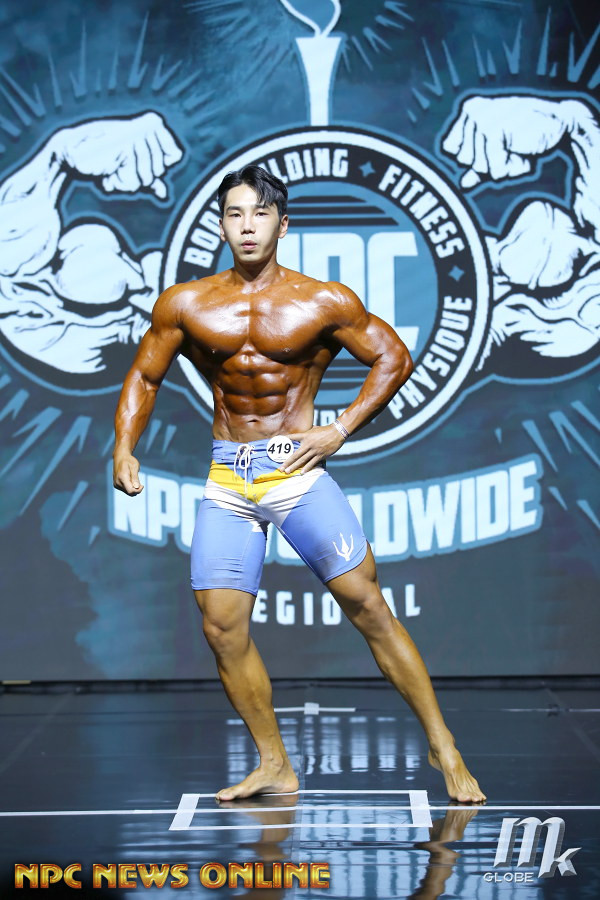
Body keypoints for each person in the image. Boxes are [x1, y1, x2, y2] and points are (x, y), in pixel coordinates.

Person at [113, 165, 486, 804]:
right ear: (222, 226)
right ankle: (274, 764)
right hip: (229, 473)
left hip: (294, 468)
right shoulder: (186, 303)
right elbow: (145, 376)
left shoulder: (322, 301)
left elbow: (393, 357)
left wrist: (338, 430)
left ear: (282, 225)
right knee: (221, 627)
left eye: (260, 214)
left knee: (368, 607)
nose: (247, 226)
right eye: (235, 214)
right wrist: (124, 447)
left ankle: (443, 745)